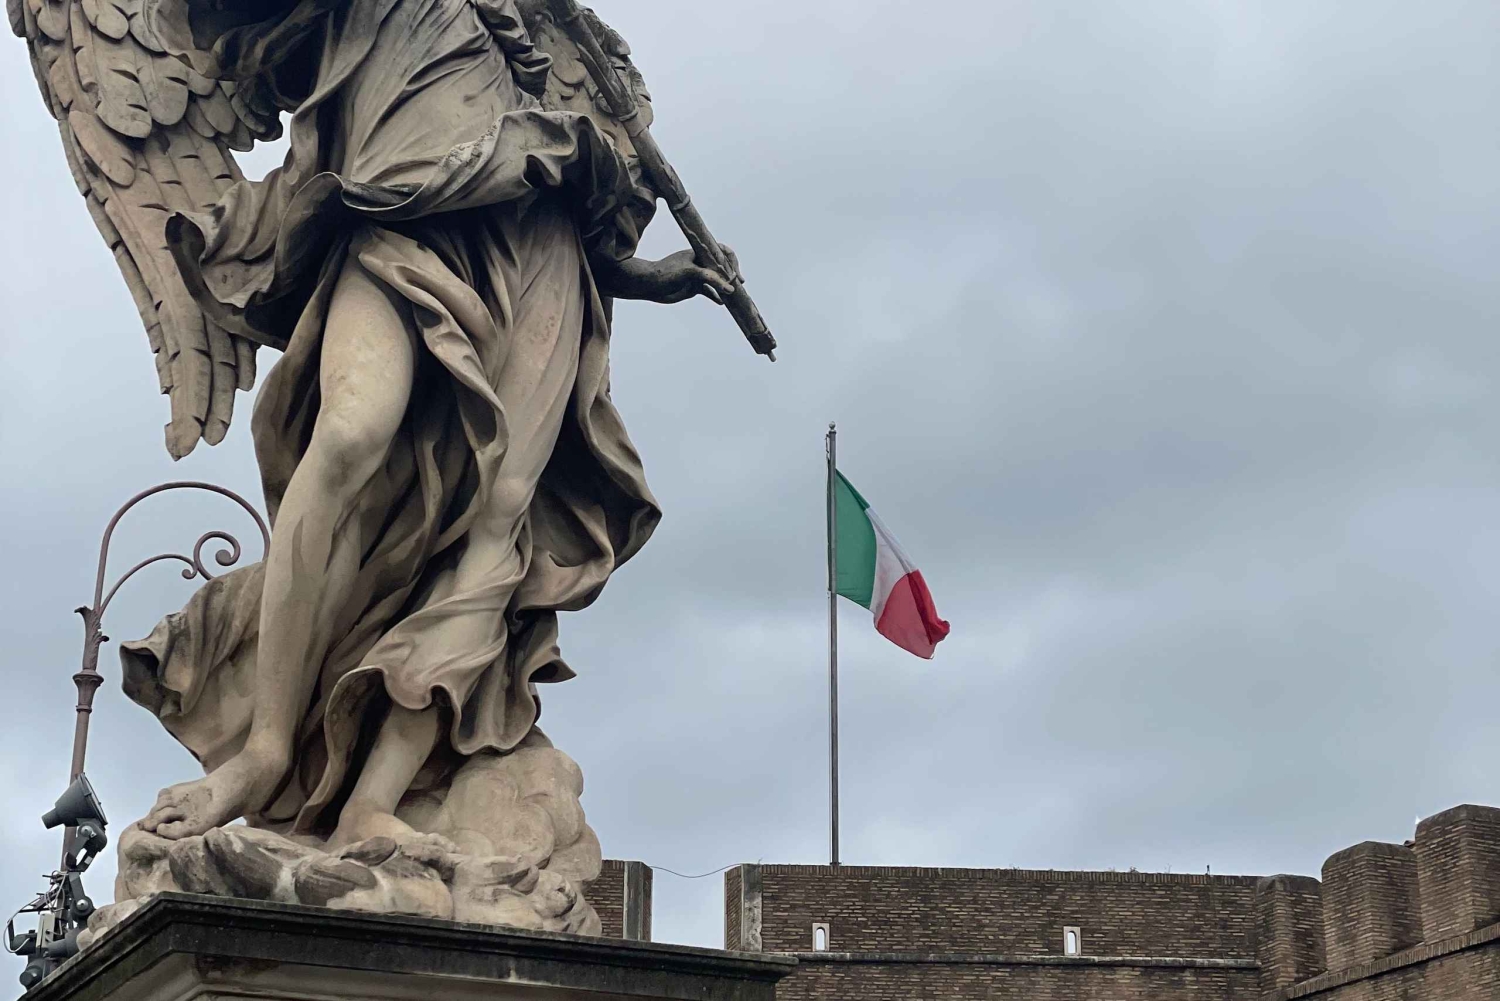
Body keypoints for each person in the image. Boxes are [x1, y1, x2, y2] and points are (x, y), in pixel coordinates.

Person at [134, 0, 730, 847]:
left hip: (542, 242)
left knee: (503, 512)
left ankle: (378, 797)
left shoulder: (564, 37)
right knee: (349, 435)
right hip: (399, 212)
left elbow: (585, 166)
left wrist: (644, 273)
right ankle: (266, 750)